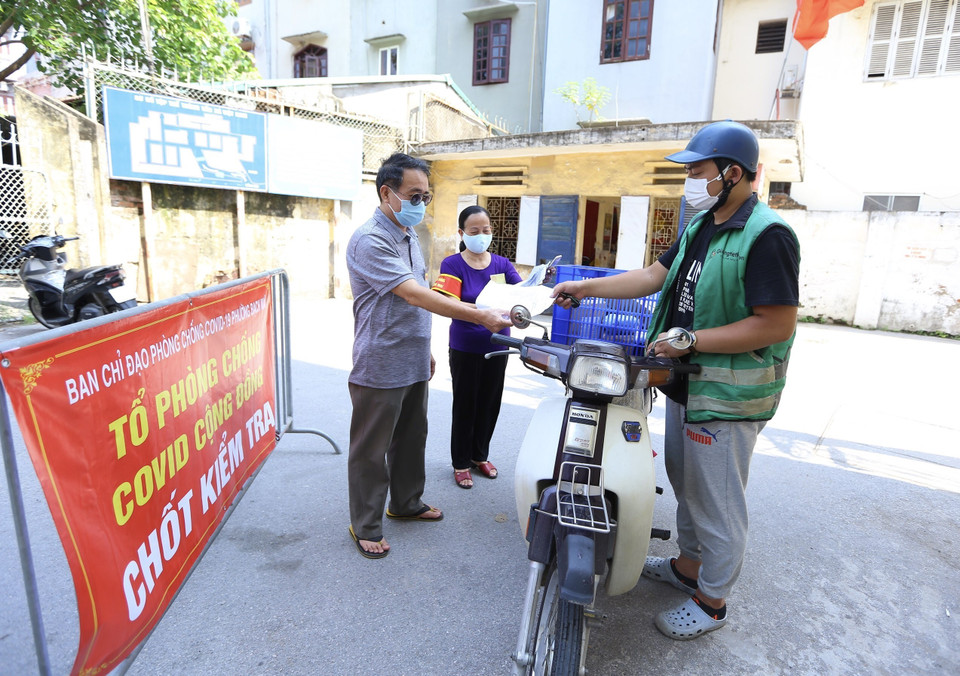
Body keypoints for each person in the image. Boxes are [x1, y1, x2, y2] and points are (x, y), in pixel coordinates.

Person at [553, 121, 800, 638]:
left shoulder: (768, 235)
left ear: (733, 173)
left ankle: (713, 602)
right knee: (688, 484)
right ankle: (689, 566)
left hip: (728, 394)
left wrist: (691, 340)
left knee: (717, 500)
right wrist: (586, 285)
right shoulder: (702, 225)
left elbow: (775, 322)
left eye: (698, 170)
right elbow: (652, 277)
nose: (690, 179)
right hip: (688, 382)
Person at [345, 152, 511, 559]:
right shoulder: (372, 239)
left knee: (410, 438)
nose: (421, 203)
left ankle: (405, 503)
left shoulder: (407, 236)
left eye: (425, 195)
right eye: (414, 195)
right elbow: (414, 293)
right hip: (381, 360)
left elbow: (419, 301)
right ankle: (365, 524)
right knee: (371, 448)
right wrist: (478, 314)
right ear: (387, 193)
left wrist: (427, 349)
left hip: (413, 356)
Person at [431, 205, 522, 489]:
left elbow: (520, 296)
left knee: (490, 402)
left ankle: (479, 455)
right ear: (462, 233)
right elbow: (448, 304)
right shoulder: (452, 265)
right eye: (474, 231)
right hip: (465, 345)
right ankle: (460, 462)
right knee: (466, 404)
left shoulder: (502, 265)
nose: (481, 236)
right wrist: (483, 309)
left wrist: (540, 289)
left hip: (499, 344)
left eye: (486, 230)